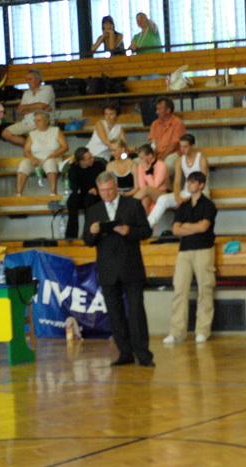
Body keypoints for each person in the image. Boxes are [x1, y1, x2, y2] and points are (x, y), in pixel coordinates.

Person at [83, 171, 154, 367]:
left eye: (109, 189)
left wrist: (129, 230)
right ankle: (125, 353)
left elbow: (146, 231)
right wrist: (92, 232)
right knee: (115, 314)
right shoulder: (94, 210)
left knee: (136, 312)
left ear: (116, 187)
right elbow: (87, 240)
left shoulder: (132, 205)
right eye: (102, 191)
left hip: (131, 266)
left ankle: (144, 354)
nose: (106, 193)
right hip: (107, 269)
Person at [164, 172, 218, 344]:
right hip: (184, 251)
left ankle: (202, 330)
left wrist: (186, 226)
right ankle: (176, 332)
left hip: (204, 249)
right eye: (188, 182)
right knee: (179, 290)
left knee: (205, 289)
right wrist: (192, 227)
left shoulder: (208, 205)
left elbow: (204, 227)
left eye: (193, 182)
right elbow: (175, 229)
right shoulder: (184, 206)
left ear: (201, 185)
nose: (189, 185)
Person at [147, 134, 209, 228]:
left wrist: (189, 199)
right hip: (186, 191)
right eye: (181, 146)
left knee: (191, 204)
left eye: (185, 146)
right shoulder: (180, 160)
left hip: (201, 192)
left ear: (193, 146)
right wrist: (177, 197)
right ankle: (147, 226)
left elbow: (202, 182)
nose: (182, 149)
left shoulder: (201, 159)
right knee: (163, 199)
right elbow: (177, 182)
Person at [15, 110, 68, 197]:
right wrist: (32, 158)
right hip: (36, 159)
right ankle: (18, 194)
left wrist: (53, 155)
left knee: (50, 162)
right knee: (24, 164)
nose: (36, 123)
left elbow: (65, 147)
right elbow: (26, 151)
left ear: (47, 121)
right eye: (35, 120)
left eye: (39, 120)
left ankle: (53, 193)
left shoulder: (56, 131)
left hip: (53, 158)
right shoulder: (32, 134)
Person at [1, 69, 56, 147]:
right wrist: (38, 108)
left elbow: (40, 106)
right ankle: (29, 147)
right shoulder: (26, 93)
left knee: (33, 136)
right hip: (27, 122)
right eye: (27, 79)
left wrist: (26, 107)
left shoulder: (47, 89)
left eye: (30, 79)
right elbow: (20, 111)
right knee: (6, 133)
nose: (28, 82)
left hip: (43, 122)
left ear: (38, 80)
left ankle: (31, 148)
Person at [65, 147, 106, 239]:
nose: (92, 159)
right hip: (83, 195)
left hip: (96, 195)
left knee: (89, 199)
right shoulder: (75, 169)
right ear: (81, 162)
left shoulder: (99, 166)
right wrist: (72, 167)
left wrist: (97, 189)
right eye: (89, 158)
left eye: (91, 156)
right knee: (72, 200)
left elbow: (104, 181)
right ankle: (71, 235)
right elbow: (74, 187)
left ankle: (88, 233)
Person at [147, 96, 186, 171]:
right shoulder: (155, 124)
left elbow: (173, 145)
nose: (156, 112)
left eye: (159, 109)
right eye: (156, 109)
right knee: (138, 163)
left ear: (168, 110)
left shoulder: (178, 123)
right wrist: (153, 157)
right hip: (157, 154)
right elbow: (153, 144)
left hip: (173, 153)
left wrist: (160, 158)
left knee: (166, 166)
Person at [133, 144, 170, 213]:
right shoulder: (141, 165)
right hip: (147, 193)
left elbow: (154, 186)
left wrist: (147, 170)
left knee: (146, 189)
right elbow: (142, 186)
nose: (141, 161)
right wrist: (144, 168)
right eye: (140, 158)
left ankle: (128, 206)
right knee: (144, 201)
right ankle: (145, 220)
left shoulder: (162, 165)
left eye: (142, 158)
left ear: (150, 156)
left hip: (161, 192)